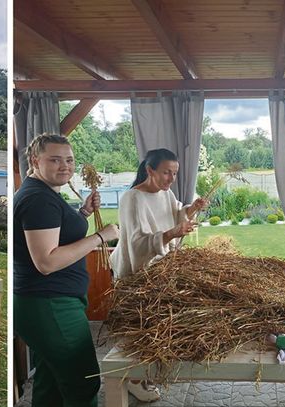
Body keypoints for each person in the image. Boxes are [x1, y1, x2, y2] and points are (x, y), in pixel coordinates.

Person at [14, 134, 118, 407]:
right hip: (50, 305)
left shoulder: (43, 194)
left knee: (51, 384)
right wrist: (99, 237)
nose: (65, 166)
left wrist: (81, 213)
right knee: (82, 382)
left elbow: (56, 234)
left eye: (69, 160)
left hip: (46, 303)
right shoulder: (39, 200)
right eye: (55, 159)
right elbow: (46, 262)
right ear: (36, 160)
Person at [110, 148, 207, 401]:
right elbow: (136, 243)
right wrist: (173, 233)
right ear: (150, 170)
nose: (171, 179)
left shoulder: (166, 193)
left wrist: (191, 209)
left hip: (159, 273)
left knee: (154, 329)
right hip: (135, 274)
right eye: (166, 172)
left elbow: (176, 212)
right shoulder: (133, 198)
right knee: (137, 329)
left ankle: (144, 376)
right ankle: (132, 380)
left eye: (174, 173)